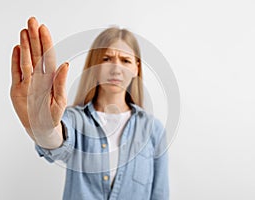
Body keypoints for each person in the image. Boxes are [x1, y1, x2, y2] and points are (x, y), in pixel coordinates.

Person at [10, 17, 169, 200]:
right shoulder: (74, 119)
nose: (116, 68)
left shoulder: (153, 130)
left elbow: (160, 194)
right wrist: (43, 129)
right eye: (106, 58)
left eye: (125, 60)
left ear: (136, 68)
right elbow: (56, 140)